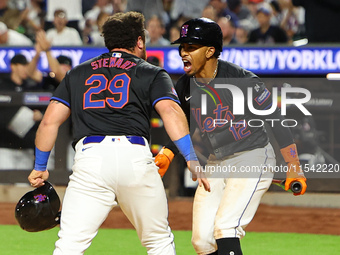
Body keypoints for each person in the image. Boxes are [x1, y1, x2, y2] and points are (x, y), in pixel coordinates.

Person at [27, 11, 209, 255]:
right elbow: (171, 113)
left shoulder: (78, 72)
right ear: (140, 41)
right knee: (158, 242)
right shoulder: (151, 72)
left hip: (90, 162)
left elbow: (49, 122)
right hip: (134, 158)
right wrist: (190, 157)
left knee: (69, 245)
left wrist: (40, 166)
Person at [155, 17, 307, 255]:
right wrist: (168, 151)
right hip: (217, 161)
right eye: (182, 47)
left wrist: (293, 165)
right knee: (202, 241)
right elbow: (180, 124)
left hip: (252, 156)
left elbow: (277, 122)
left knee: (226, 227)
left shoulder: (242, 81)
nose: (183, 52)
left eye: (191, 47)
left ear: (210, 51)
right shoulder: (185, 86)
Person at [0, 54, 42, 170]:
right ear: (13, 66)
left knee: (24, 186)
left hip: (25, 147)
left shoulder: (31, 88)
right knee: (4, 184)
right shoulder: (3, 86)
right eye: (22, 65)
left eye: (27, 66)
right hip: (4, 147)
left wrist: (39, 115)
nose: (25, 69)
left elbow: (43, 107)